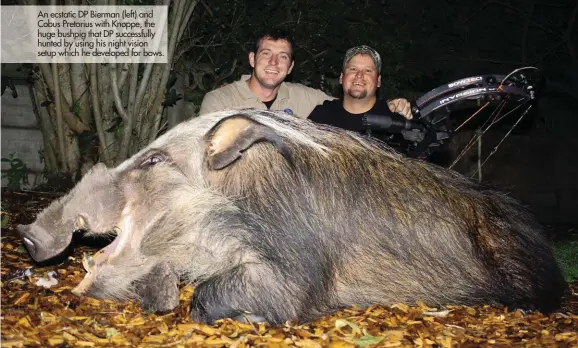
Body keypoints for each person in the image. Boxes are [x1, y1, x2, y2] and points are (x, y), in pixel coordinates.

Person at [199, 32, 412, 119]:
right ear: (252, 59)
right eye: (266, 54)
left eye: (282, 57)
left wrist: (390, 106)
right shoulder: (219, 102)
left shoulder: (305, 98)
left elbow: (351, 104)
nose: (274, 63)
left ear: (290, 67)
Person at [308, 45, 413, 143]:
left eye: (368, 70)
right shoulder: (321, 116)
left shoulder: (394, 119)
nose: (359, 75)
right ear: (341, 78)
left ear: (378, 81)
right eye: (353, 69)